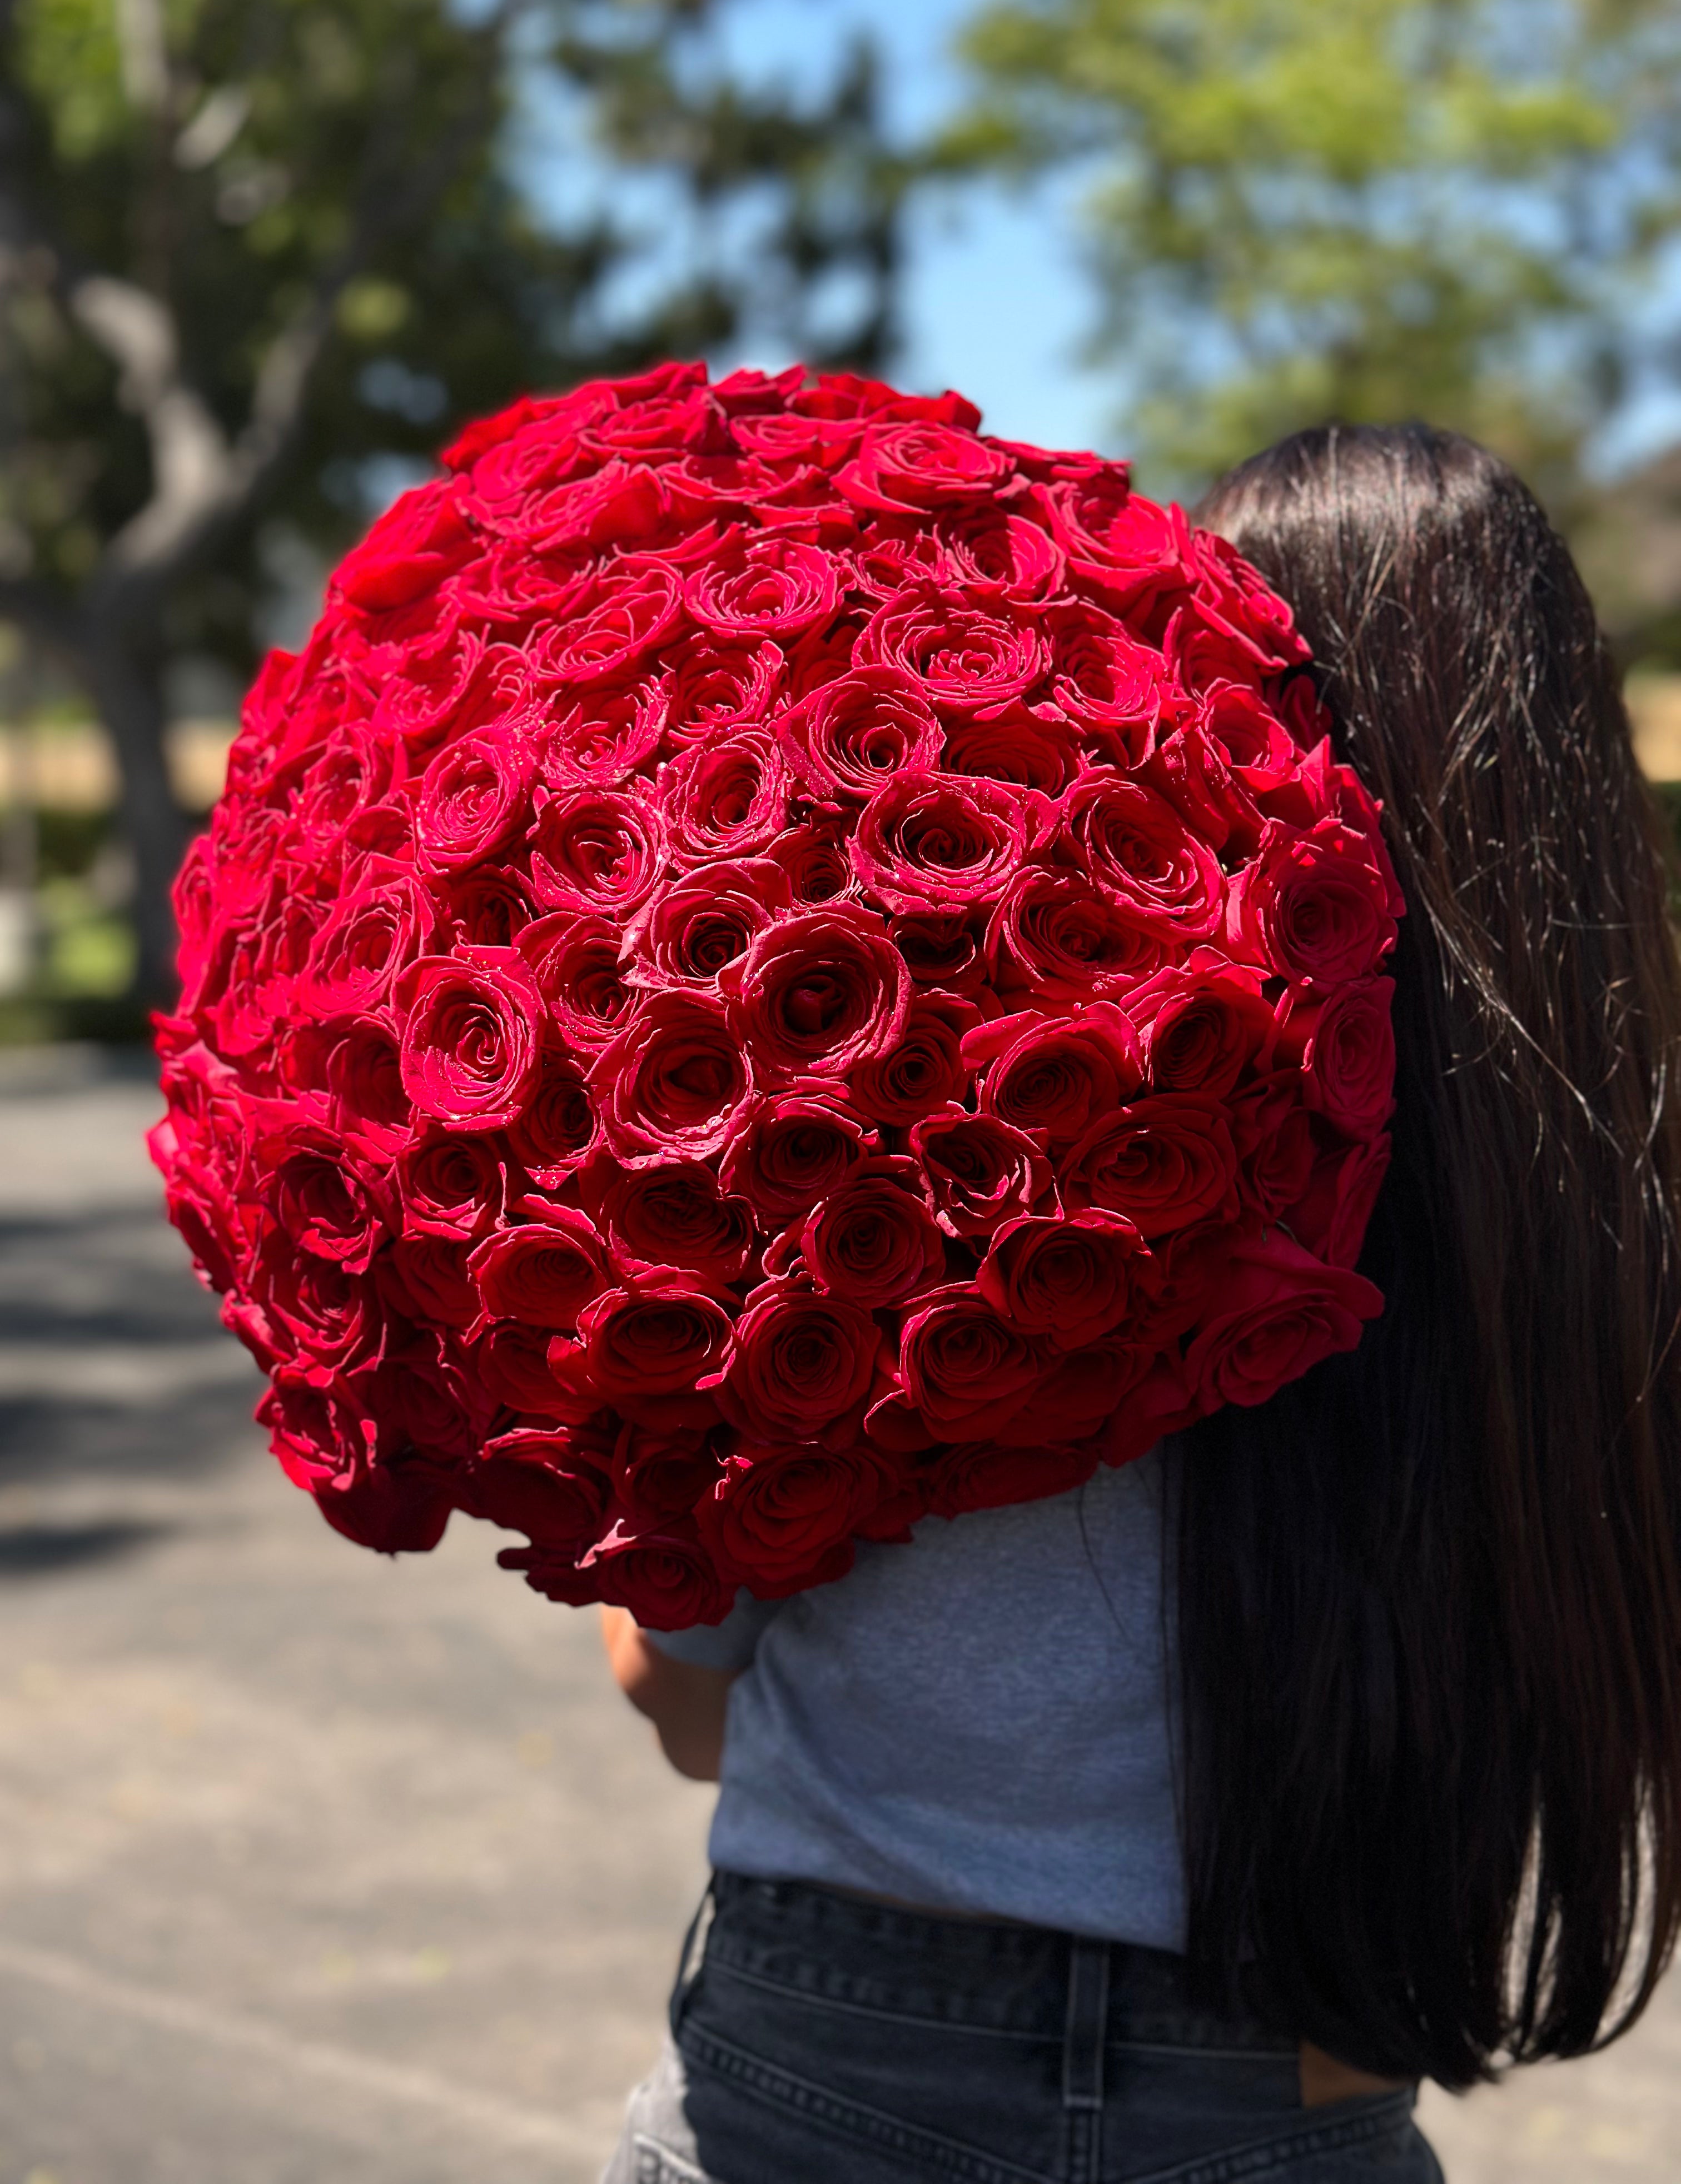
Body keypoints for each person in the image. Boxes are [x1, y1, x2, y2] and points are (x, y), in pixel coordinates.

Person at [598, 423, 1681, 2184]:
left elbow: (686, 1699)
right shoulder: (1601, 1243)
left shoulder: (941, 1109)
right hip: (1295, 2095)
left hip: (828, 2061)